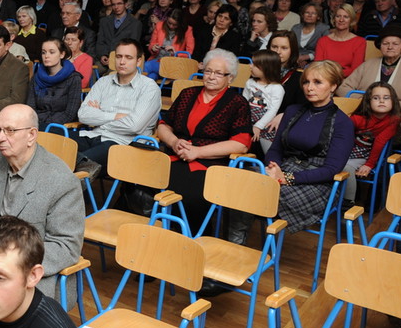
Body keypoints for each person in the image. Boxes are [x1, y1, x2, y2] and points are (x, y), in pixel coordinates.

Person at [0, 104, 84, 305]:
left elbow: (66, 246)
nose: (0, 137)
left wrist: (11, 263)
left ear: (31, 135)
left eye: (10, 131)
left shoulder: (61, 181)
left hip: (31, 274)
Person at [157, 49, 252, 234]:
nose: (211, 77)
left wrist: (198, 152)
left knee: (190, 195)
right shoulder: (187, 94)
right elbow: (163, 126)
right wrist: (174, 142)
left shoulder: (237, 103)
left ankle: (191, 239)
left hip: (210, 164)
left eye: (218, 73)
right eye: (208, 71)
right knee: (144, 184)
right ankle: (153, 234)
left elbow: (241, 143)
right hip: (175, 155)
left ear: (230, 78)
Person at [265, 60, 354, 233]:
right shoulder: (292, 111)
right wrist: (274, 167)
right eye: (306, 82)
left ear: (333, 86)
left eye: (317, 82)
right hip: (282, 169)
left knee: (265, 194)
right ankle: (237, 242)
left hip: (317, 183)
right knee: (243, 183)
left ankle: (268, 245)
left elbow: (331, 170)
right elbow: (276, 149)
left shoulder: (343, 123)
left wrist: (288, 178)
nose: (309, 88)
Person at [74, 38, 160, 175]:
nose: (122, 62)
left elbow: (134, 126)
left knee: (75, 162)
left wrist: (99, 117)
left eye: (128, 57)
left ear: (138, 61)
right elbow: (83, 115)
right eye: (119, 56)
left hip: (123, 144)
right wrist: (116, 116)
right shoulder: (103, 82)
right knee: (58, 147)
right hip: (93, 135)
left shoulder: (149, 88)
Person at [337, 25, 401, 125]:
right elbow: (342, 88)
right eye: (385, 43)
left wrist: (393, 106)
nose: (390, 47)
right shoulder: (367, 65)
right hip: (364, 118)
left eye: (395, 44)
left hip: (395, 120)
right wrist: (363, 101)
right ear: (380, 46)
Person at [342, 83, 401, 206]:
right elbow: (341, 135)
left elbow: (380, 141)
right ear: (368, 102)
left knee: (346, 167)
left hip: (367, 155)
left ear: (393, 101)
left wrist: (369, 164)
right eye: (376, 98)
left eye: (386, 98)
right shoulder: (357, 118)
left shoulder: (394, 120)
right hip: (347, 150)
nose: (381, 101)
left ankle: (348, 203)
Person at [27, 38, 82, 130]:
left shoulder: (74, 78)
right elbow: (30, 108)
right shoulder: (36, 77)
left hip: (60, 127)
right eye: (43, 52)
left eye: (51, 52)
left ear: (62, 54)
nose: (46, 56)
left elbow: (70, 114)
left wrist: (47, 125)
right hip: (37, 124)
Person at [243, 49, 285, 143]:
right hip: (247, 118)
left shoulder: (277, 88)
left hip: (265, 121)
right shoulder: (250, 82)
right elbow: (243, 102)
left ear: (266, 68)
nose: (250, 66)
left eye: (254, 64)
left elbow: (272, 110)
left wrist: (258, 126)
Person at [314, 4, 366, 77]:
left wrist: (332, 73)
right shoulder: (322, 41)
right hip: (325, 78)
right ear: (334, 19)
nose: (341, 20)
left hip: (348, 80)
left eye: (346, 17)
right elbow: (318, 66)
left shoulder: (359, 42)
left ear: (351, 20)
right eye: (338, 16)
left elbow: (356, 70)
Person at [144, 8, 194, 79]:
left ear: (180, 24)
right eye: (169, 23)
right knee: (151, 77)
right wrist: (153, 48)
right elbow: (152, 44)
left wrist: (175, 53)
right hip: (158, 59)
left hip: (173, 64)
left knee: (147, 66)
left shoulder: (187, 30)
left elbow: (189, 52)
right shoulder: (159, 25)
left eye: (175, 25)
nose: (171, 26)